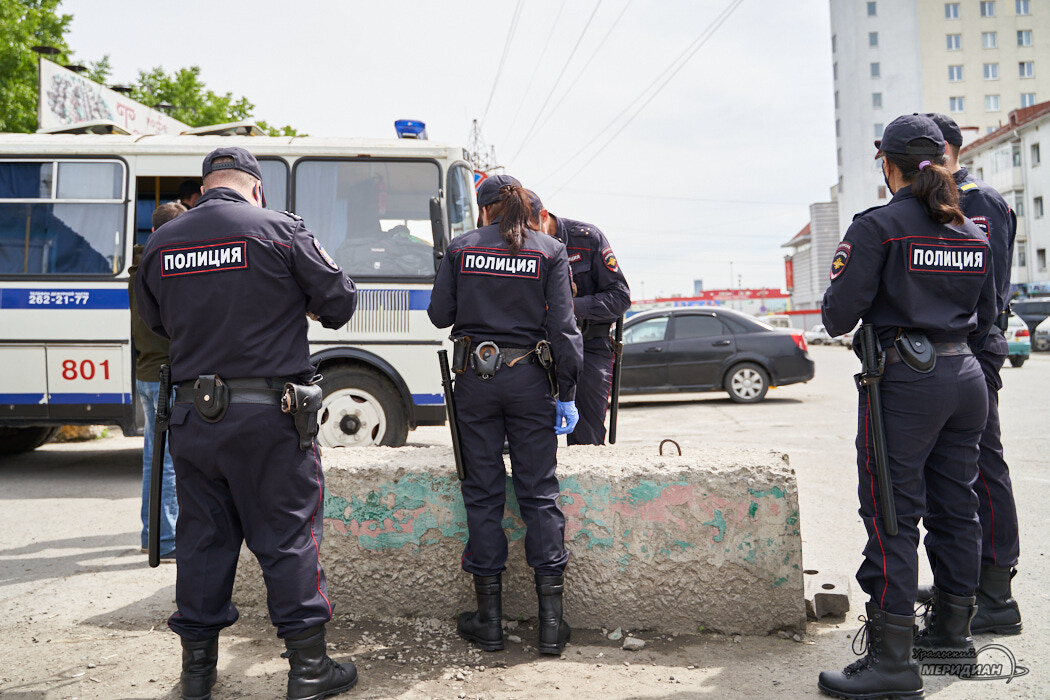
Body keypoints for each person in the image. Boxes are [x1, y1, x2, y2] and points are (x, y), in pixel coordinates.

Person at [134, 147, 359, 700]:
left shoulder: (162, 241)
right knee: (287, 535)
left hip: (192, 414)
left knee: (203, 539)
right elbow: (341, 303)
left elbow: (156, 322)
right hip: (269, 417)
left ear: (205, 186)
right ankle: (308, 670)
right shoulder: (279, 230)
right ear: (255, 188)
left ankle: (196, 675)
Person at [818, 114, 996, 699]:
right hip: (964, 375)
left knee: (893, 513)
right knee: (957, 508)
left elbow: (838, 315)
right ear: (941, 162)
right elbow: (987, 314)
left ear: (888, 166)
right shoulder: (971, 231)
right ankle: (951, 635)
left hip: (906, 381)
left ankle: (892, 662)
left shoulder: (880, 226)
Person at [428, 174, 583, 656]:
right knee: (539, 492)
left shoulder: (460, 248)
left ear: (483, 210)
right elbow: (564, 329)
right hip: (532, 379)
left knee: (483, 492)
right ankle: (551, 628)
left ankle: (490, 624)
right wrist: (568, 391)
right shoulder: (549, 250)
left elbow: (439, 315)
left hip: (476, 378)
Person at [918, 112, 1022, 635]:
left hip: (975, 346)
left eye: (931, 152)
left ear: (949, 151)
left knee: (981, 466)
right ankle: (962, 579)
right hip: (953, 349)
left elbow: (988, 289)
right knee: (952, 473)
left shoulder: (976, 199)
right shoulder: (945, 197)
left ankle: (996, 587)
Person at [533, 198, 630, 445]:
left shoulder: (587, 238)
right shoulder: (520, 244)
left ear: (543, 216)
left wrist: (567, 307)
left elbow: (620, 298)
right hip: (537, 350)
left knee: (587, 440)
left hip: (589, 345)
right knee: (531, 439)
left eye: (531, 229)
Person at [128, 201, 185, 561]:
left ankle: (153, 536)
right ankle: (164, 541)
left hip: (147, 373)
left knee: (154, 459)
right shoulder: (165, 270)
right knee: (166, 465)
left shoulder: (138, 265)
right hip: (166, 376)